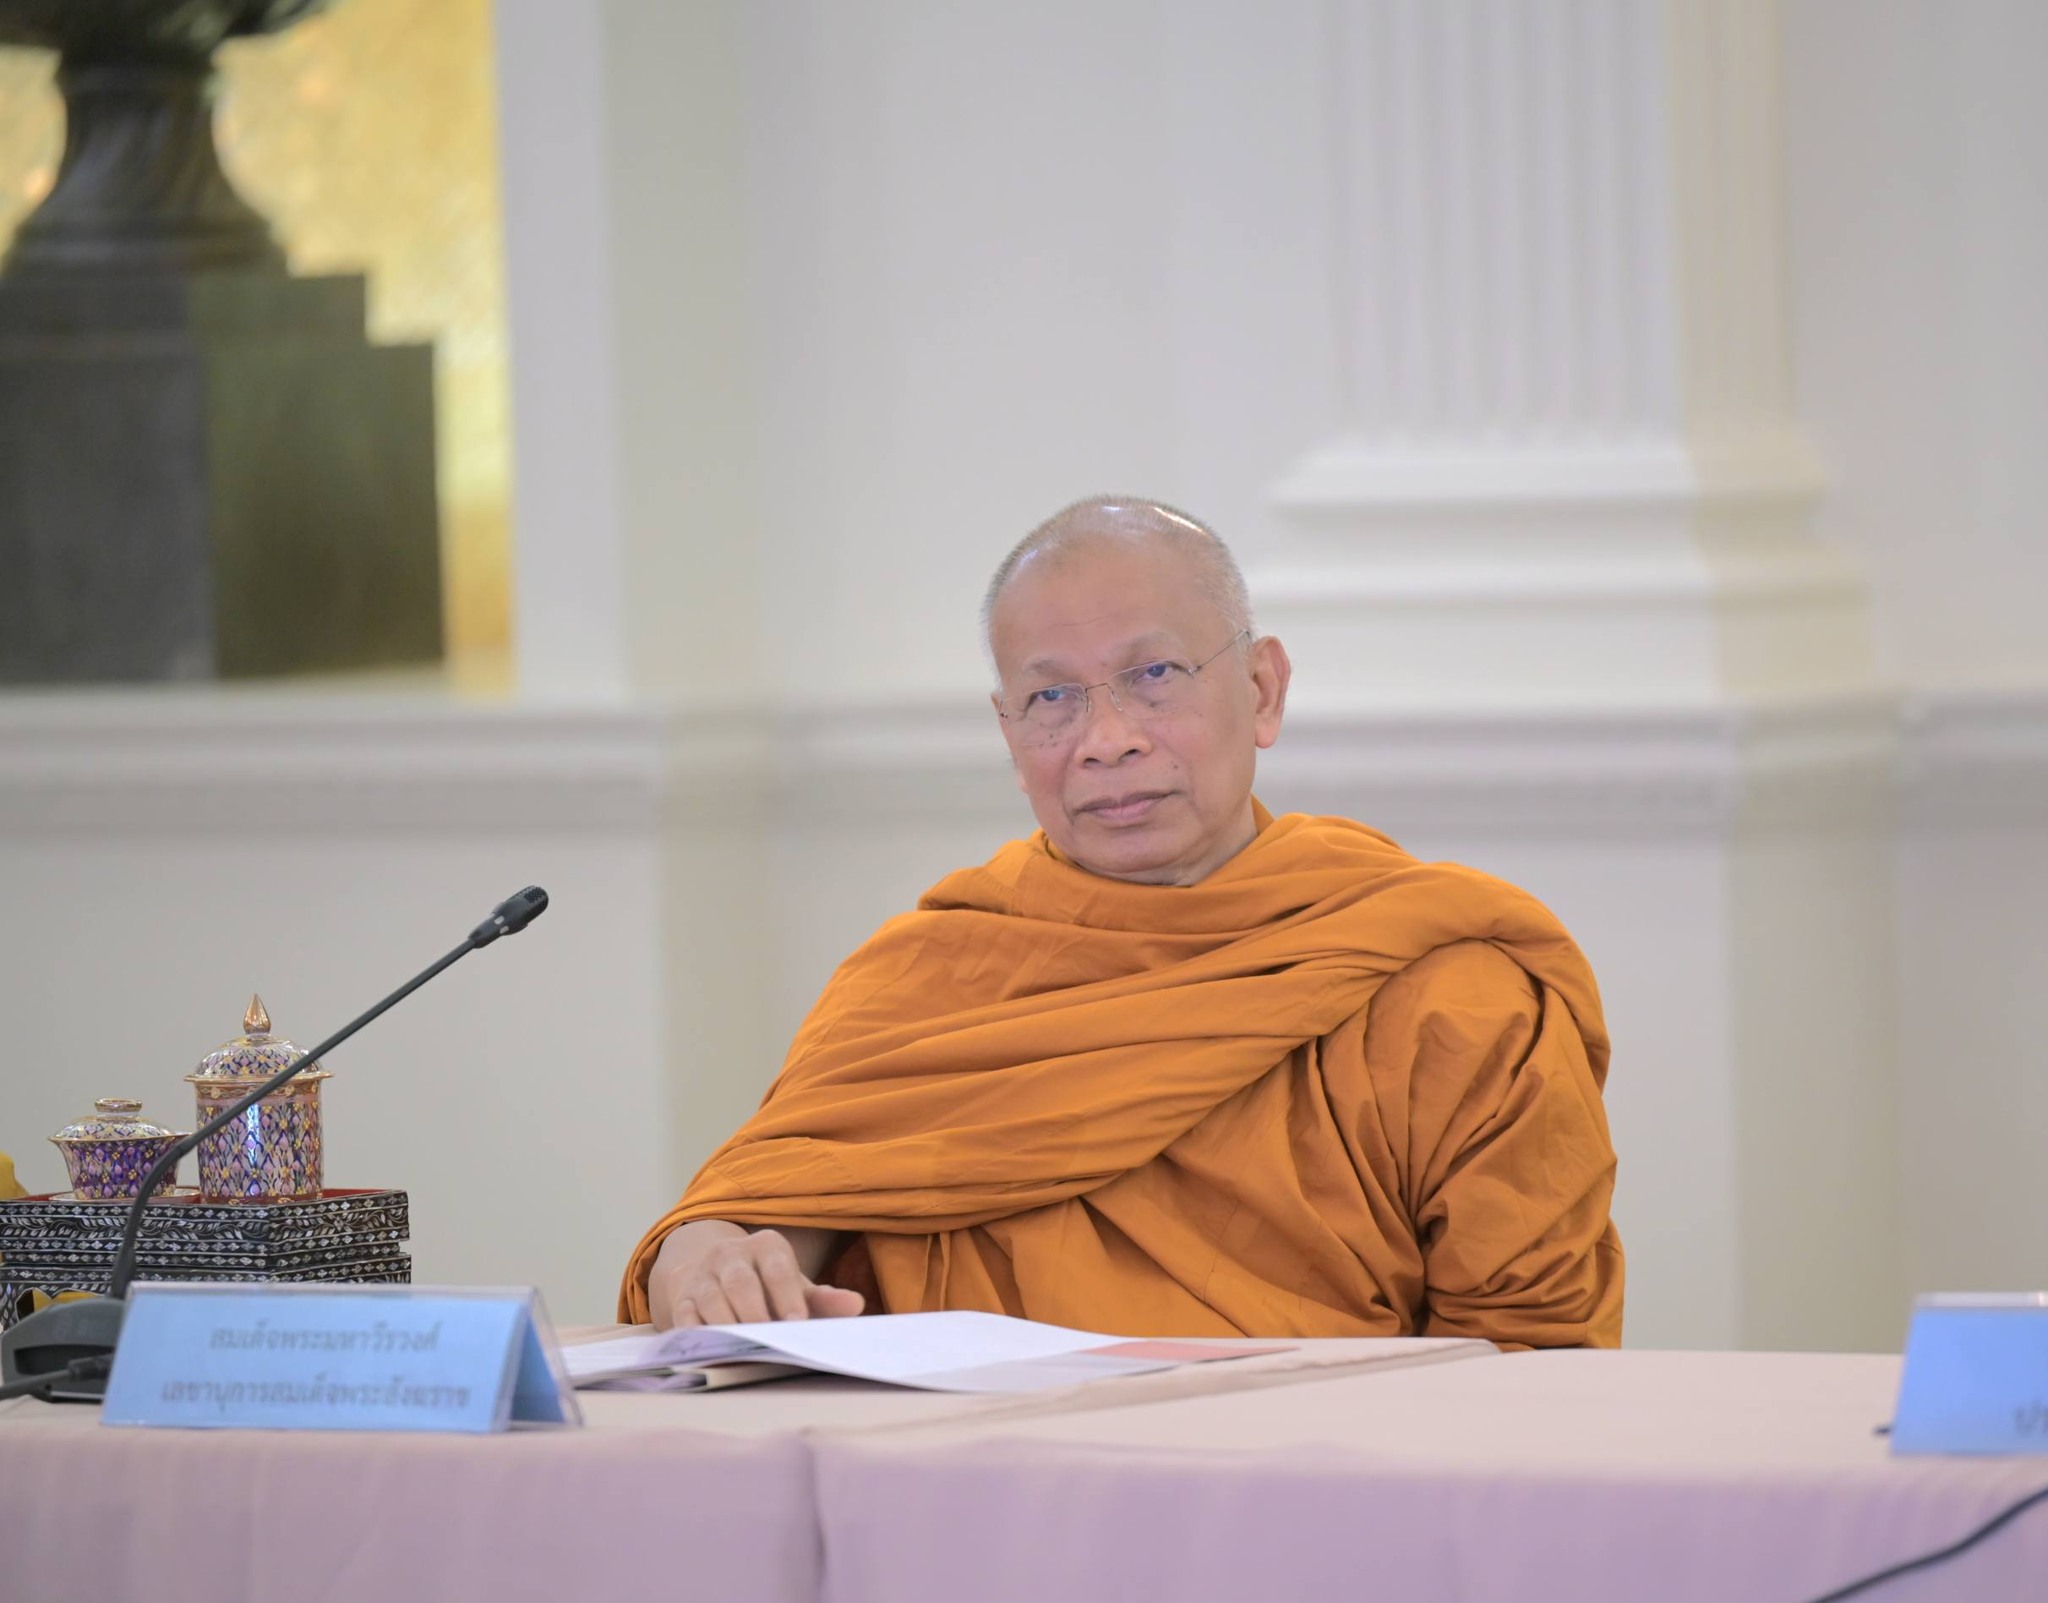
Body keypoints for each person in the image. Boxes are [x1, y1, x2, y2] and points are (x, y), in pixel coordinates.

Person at [620, 497, 1623, 1347]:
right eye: (1051, 696)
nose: (1105, 741)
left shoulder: (1447, 993)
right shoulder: (925, 979)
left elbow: (1533, 1375)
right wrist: (704, 1258)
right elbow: (773, 1214)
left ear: (1262, 690)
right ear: (1010, 736)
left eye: (1154, 676)